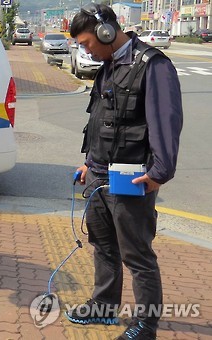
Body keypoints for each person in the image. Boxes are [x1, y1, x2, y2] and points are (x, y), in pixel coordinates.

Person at [66, 4, 183, 340]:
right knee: (103, 245)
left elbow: (166, 122)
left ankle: (146, 324)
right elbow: (100, 120)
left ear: (106, 32)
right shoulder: (107, 67)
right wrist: (88, 163)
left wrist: (159, 173)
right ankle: (104, 308)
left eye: (87, 42)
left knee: (137, 253)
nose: (85, 49)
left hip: (132, 177)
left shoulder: (153, 66)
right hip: (99, 175)